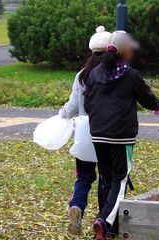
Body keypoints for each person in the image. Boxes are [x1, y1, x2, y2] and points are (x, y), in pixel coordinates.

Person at [84, 32, 159, 240]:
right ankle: (104, 221)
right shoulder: (130, 75)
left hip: (98, 133)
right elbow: (147, 98)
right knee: (120, 179)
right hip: (120, 136)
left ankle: (110, 226)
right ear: (126, 52)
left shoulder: (95, 73)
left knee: (107, 178)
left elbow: (87, 103)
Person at [59, 26, 112, 236]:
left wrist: (61, 114)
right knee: (107, 178)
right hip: (108, 133)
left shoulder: (82, 75)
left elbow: (71, 107)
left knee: (83, 177)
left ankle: (77, 206)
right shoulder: (115, 73)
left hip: (84, 133)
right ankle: (102, 219)